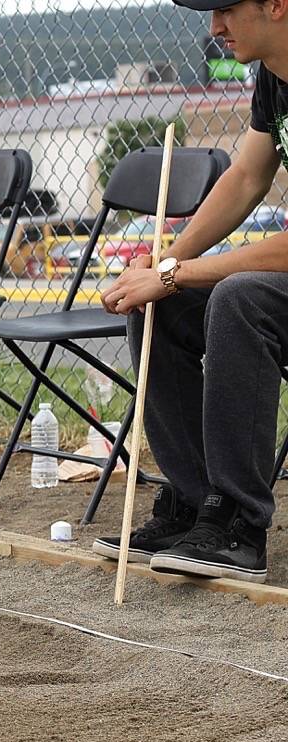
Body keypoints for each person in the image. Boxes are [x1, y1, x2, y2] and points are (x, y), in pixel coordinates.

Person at [95, 0, 288, 584]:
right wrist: (165, 262)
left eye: (226, 9)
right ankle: (195, 502)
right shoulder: (275, 77)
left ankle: (238, 524)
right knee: (161, 299)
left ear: (276, 5)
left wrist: (178, 271)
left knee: (239, 299)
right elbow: (247, 177)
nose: (215, 28)